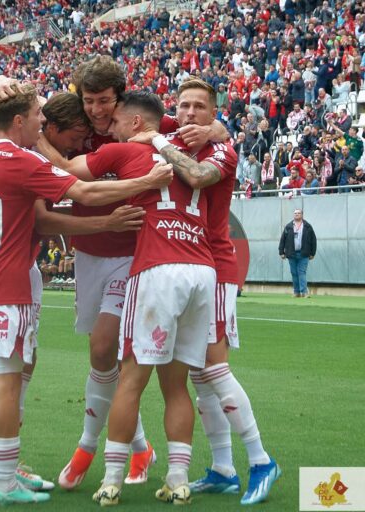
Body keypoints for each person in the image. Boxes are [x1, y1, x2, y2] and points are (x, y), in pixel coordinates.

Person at [0, 83, 172, 506]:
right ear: (20, 120)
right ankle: (3, 480)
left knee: (8, 373)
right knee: (9, 379)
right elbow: (83, 192)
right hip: (9, 280)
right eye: (37, 114)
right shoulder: (23, 159)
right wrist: (145, 182)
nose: (42, 121)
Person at [29, 57, 225, 492]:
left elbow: (204, 125)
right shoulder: (73, 120)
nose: (97, 111)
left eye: (105, 102)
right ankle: (141, 448)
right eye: (90, 101)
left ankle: (88, 450)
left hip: (136, 254)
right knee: (104, 359)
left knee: (110, 349)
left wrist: (215, 128)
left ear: (121, 101)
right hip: (90, 253)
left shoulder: (147, 125)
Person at [133, 79, 280, 506]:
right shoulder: (174, 132)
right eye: (184, 106)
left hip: (215, 267)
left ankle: (261, 459)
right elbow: (135, 116)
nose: (191, 112)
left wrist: (214, 133)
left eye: (201, 106)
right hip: (191, 268)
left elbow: (196, 175)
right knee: (199, 375)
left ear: (214, 113)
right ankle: (223, 468)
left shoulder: (222, 150)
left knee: (214, 368)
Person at [84, 85, 230, 506]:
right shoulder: (196, 151)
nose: (109, 128)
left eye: (115, 120)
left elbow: (68, 171)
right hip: (201, 269)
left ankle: (112, 478)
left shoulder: (126, 149)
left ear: (134, 122)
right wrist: (215, 128)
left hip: (157, 268)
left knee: (131, 378)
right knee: (177, 384)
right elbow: (204, 147)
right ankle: (178, 479)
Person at [279, 208, 317, 297]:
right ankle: (296, 292)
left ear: (302, 215)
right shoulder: (288, 226)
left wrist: (312, 253)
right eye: (295, 213)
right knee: (294, 273)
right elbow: (283, 239)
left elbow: (313, 240)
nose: (296, 214)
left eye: (298, 213)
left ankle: (304, 292)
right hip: (291, 253)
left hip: (304, 253)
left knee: (302, 272)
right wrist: (281, 252)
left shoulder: (307, 226)